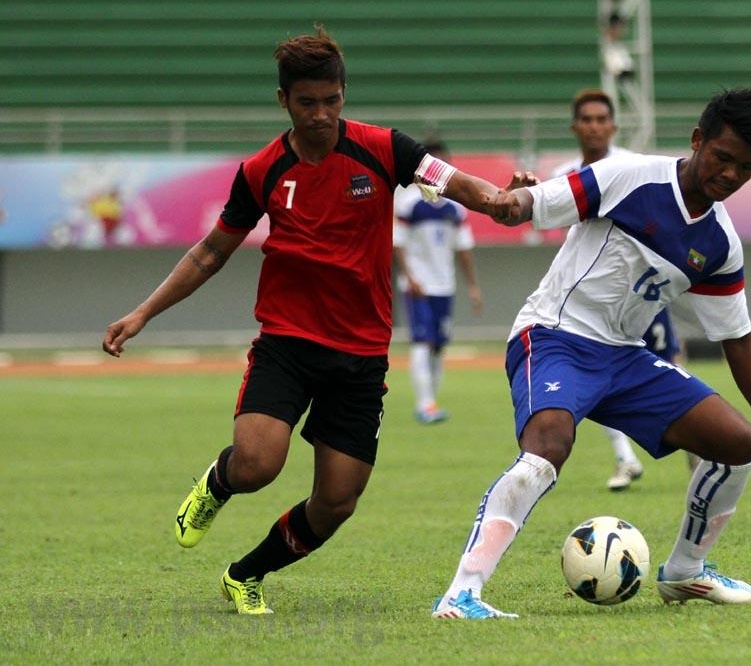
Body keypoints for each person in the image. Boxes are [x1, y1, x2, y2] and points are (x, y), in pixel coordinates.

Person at [102, 25, 514, 615]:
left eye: (332, 100)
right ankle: (217, 484)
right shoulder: (261, 171)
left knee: (337, 501)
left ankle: (245, 574)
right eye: (306, 103)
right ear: (283, 101)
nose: (321, 114)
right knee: (257, 465)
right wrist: (142, 312)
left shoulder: (383, 149)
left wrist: (501, 199)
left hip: (362, 354)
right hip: (287, 343)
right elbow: (210, 252)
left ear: (345, 94)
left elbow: (453, 182)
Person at [431, 87, 751, 620]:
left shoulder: (719, 244)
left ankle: (686, 572)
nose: (731, 175)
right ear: (697, 141)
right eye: (723, 157)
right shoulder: (627, 176)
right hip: (554, 335)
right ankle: (463, 592)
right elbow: (527, 205)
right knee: (548, 445)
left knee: (737, 444)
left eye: (747, 168)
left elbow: (739, 340)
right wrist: (506, 197)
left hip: (624, 359)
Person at [552, 88, 687, 491]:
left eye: (601, 119)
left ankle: (701, 468)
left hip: (642, 299)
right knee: (594, 384)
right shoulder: (564, 176)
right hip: (593, 307)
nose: (594, 126)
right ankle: (625, 459)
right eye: (586, 119)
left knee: (678, 380)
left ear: (613, 124)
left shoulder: (635, 167)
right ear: (575, 126)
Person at [393, 138, 482, 424]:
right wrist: (409, 276)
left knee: (439, 346)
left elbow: (463, 248)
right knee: (422, 342)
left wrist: (472, 285)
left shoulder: (456, 208)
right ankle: (425, 404)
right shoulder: (408, 203)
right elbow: (397, 244)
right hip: (418, 285)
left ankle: (431, 399)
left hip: (445, 285)